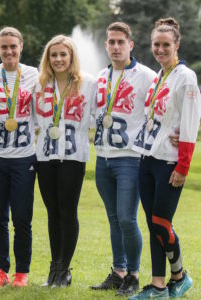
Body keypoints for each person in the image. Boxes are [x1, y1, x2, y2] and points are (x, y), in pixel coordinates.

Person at [130, 17, 201, 299]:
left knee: (161, 222)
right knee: (153, 225)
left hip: (170, 161)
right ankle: (159, 285)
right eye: (156, 45)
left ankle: (181, 276)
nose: (160, 50)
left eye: (166, 45)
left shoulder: (186, 77)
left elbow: (191, 122)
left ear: (177, 45)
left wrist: (183, 165)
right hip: (148, 157)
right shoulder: (160, 76)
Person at [90, 22, 156, 296]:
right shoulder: (101, 77)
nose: (116, 47)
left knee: (127, 219)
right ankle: (118, 272)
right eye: (111, 42)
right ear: (106, 45)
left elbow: (163, 108)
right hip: (103, 158)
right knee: (114, 218)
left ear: (131, 44)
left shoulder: (147, 76)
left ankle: (134, 275)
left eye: (121, 42)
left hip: (130, 158)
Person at [34, 35, 97, 288]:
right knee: (52, 212)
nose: (58, 59)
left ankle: (63, 269)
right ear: (47, 59)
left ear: (72, 57)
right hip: (45, 155)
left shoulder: (88, 84)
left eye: (63, 54)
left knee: (67, 211)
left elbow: (101, 114)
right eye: (53, 55)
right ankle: (54, 267)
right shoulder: (39, 85)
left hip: (73, 155)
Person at [0, 27, 38, 288]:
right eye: (4, 47)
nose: (8, 51)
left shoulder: (33, 75)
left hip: (24, 156)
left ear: (21, 47)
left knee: (22, 218)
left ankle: (22, 273)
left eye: (13, 46)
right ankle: (1, 270)